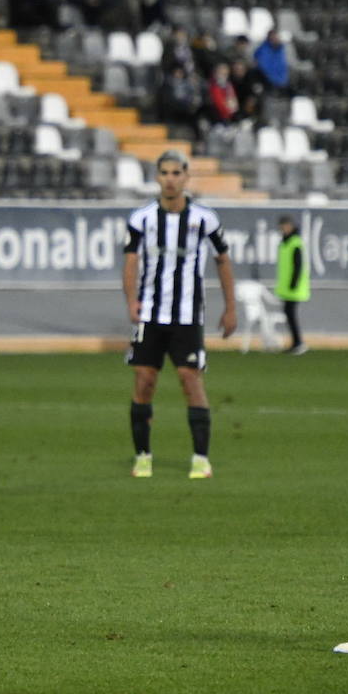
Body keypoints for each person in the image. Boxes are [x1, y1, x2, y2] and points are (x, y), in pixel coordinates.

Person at [123, 150, 236, 480]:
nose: (170, 179)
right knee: (144, 382)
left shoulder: (205, 219)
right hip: (151, 314)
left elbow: (223, 260)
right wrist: (131, 301)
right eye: (164, 173)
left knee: (191, 380)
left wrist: (231, 308)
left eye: (176, 173)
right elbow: (130, 262)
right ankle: (143, 457)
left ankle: (201, 458)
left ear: (186, 177)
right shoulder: (141, 218)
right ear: (157, 177)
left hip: (187, 316)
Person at [275, 215, 309, 354]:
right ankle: (296, 342)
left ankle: (298, 342)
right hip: (286, 287)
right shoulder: (285, 242)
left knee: (290, 314)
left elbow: (298, 265)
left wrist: (293, 283)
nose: (282, 229)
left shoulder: (295, 243)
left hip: (294, 287)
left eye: (284, 225)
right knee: (288, 314)